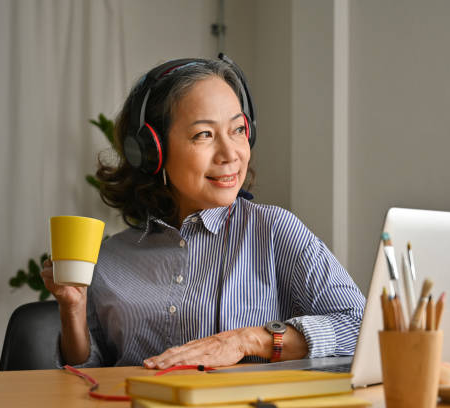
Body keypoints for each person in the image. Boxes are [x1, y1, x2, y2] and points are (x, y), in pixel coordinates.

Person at [41, 54, 366, 369]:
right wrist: (73, 307)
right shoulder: (110, 257)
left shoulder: (273, 230)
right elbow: (88, 370)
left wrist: (246, 341)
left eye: (238, 130)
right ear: (151, 151)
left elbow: (362, 327)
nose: (231, 154)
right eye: (204, 135)